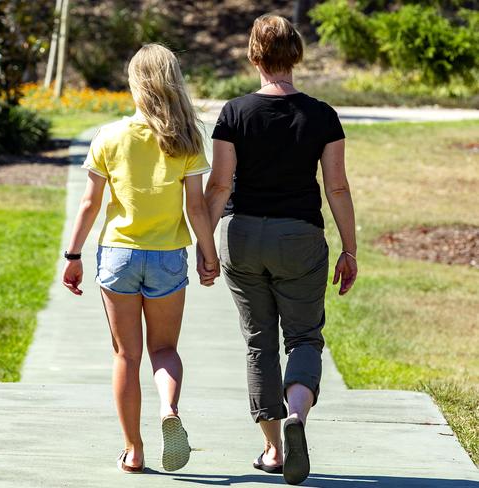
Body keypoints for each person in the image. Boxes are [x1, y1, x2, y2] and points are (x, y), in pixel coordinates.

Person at [199, 14, 358, 485]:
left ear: (254, 56)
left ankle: (271, 448)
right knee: (304, 337)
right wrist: (349, 249)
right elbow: (338, 188)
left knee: (258, 341)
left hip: (242, 237)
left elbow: (220, 185)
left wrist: (206, 247)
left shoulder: (234, 113)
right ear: (297, 55)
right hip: (299, 238)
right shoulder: (322, 115)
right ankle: (297, 419)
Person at [62, 44, 219, 474]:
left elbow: (89, 204)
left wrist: (73, 254)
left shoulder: (109, 136)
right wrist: (209, 254)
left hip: (118, 256)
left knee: (126, 356)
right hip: (168, 257)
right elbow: (197, 207)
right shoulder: (185, 138)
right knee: (165, 349)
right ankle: (169, 409)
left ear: (135, 84)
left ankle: (134, 450)